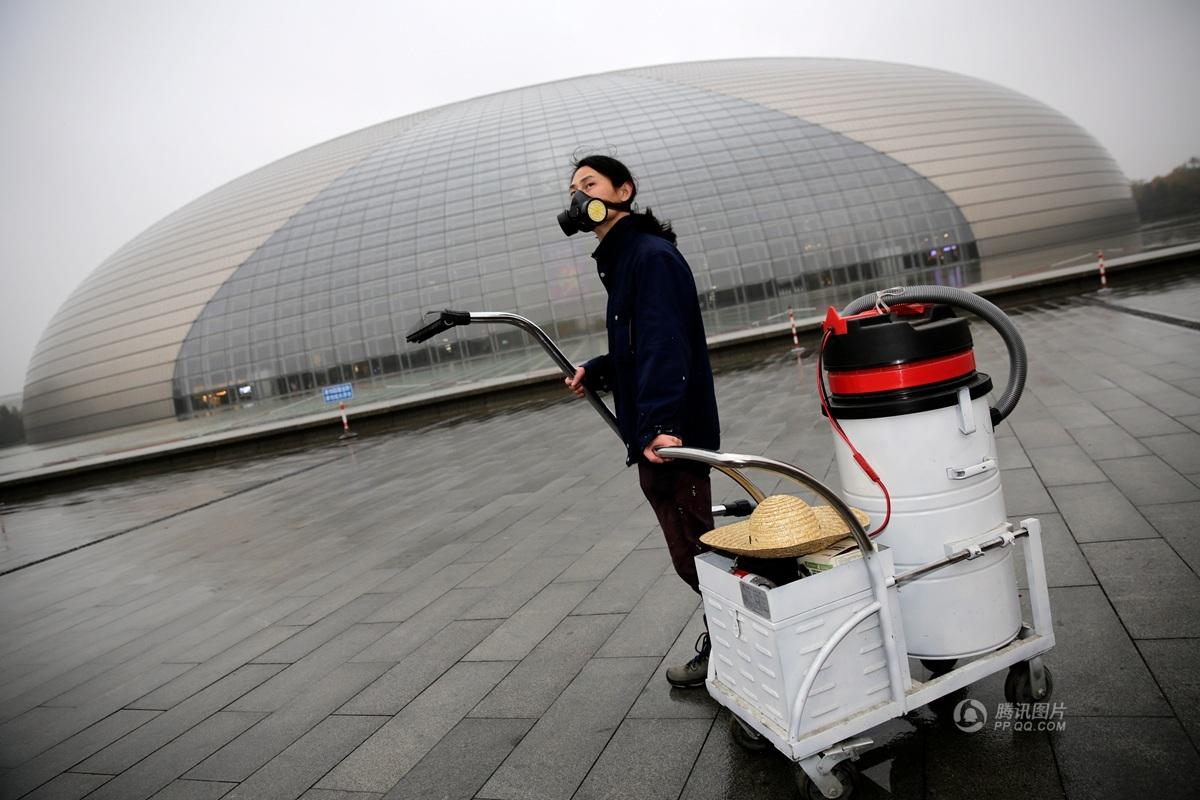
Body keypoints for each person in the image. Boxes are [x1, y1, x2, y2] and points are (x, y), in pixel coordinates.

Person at [559, 154, 720, 688]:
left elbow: (664, 345)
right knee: (695, 550)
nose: (579, 198)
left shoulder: (647, 257)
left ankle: (740, 642)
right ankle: (735, 638)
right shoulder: (627, 258)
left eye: (589, 185)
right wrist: (598, 369)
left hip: (670, 436)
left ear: (623, 190)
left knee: (697, 553)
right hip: (660, 430)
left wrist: (661, 427)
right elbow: (637, 344)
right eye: (574, 190)